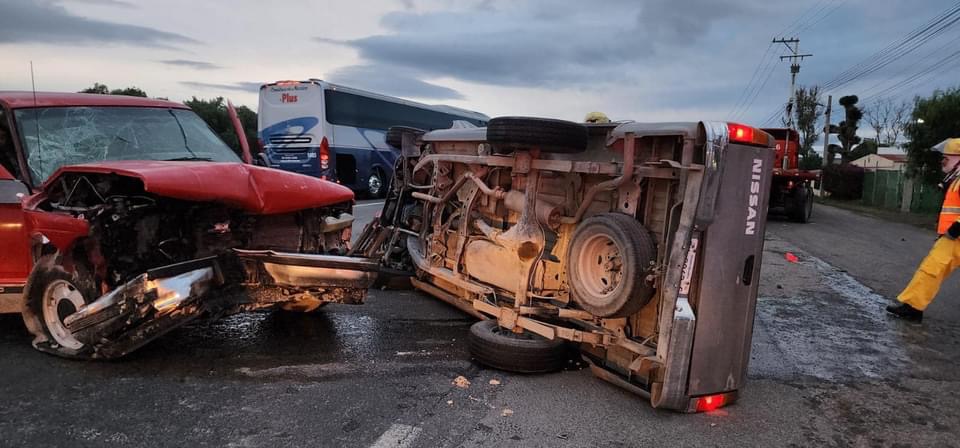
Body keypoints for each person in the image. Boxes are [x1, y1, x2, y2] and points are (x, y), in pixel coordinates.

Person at [887, 138, 960, 321]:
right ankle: (913, 306)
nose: (943, 160)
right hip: (952, 238)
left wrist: (955, 229)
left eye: (947, 157)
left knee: (931, 269)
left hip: (955, 236)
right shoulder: (955, 178)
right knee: (930, 269)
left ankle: (913, 307)